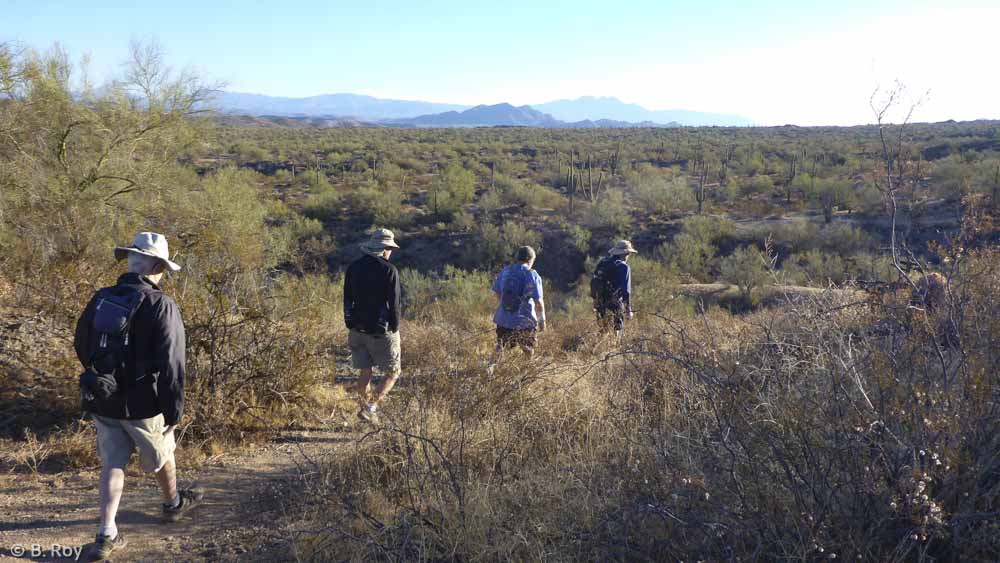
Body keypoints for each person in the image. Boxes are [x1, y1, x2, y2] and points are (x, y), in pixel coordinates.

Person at [74, 232, 202, 561]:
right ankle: (172, 504)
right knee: (163, 452)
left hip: (104, 400)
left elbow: (81, 343)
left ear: (131, 262)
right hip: (144, 403)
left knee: (113, 463)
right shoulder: (161, 304)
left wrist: (103, 377)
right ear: (158, 266)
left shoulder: (101, 297)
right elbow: (173, 363)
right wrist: (174, 411)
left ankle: (105, 534)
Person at [344, 228, 402, 425]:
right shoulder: (389, 270)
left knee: (365, 372)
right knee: (393, 372)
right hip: (379, 330)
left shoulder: (353, 267)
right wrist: (395, 327)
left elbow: (347, 298)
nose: (391, 252)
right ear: (384, 248)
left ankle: (366, 412)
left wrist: (349, 322)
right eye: (390, 248)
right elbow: (394, 303)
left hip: (356, 329)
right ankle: (370, 408)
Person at [491, 246, 546, 359]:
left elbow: (497, 292)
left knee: (500, 346)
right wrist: (542, 321)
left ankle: (490, 368)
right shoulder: (531, 274)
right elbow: (538, 302)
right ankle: (527, 372)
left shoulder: (506, 270)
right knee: (528, 350)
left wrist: (506, 305)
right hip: (525, 321)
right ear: (531, 259)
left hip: (504, 319)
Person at [592, 240, 637, 335]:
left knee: (603, 330)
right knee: (616, 331)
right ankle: (614, 348)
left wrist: (596, 301)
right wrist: (628, 310)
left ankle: (602, 348)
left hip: (600, 302)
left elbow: (595, 281)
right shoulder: (624, 267)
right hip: (615, 304)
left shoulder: (603, 262)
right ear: (626, 253)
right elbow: (626, 291)